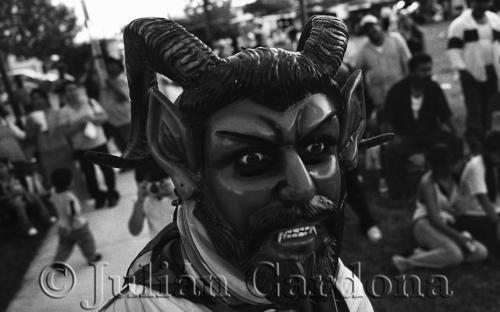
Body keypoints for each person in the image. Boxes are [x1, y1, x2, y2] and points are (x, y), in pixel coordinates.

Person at [92, 16, 379, 312]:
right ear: (178, 158)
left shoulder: (343, 292)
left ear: (349, 135)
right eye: (252, 160)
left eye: (317, 148)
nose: (303, 187)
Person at [392, 141, 488, 271]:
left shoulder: (454, 177)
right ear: (434, 166)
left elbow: (462, 204)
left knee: (481, 252)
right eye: (443, 165)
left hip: (448, 224)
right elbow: (434, 219)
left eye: (450, 163)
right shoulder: (428, 183)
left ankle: (425, 253)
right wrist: (457, 237)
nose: (448, 167)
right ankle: (408, 262)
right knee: (456, 254)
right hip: (425, 223)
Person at [382, 53, 457, 198]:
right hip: (406, 134)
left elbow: (446, 115)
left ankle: (450, 185)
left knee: (453, 142)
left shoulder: (434, 88)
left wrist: (457, 134)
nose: (428, 74)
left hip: (430, 133)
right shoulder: (397, 90)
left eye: (429, 69)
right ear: (412, 72)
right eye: (423, 70)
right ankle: (399, 192)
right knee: (390, 152)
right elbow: (387, 120)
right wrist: (392, 138)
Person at [58, 81, 120, 208]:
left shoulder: (90, 102)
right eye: (69, 90)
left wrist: (92, 120)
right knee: (89, 174)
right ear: (65, 94)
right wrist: (79, 123)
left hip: (99, 142)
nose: (72, 92)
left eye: (74, 89)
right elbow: (65, 132)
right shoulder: (64, 111)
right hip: (81, 147)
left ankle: (112, 193)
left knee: (107, 169)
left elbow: (104, 117)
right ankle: (98, 196)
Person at [447, 0, 500, 137]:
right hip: (471, 72)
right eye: (477, 2)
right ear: (471, 3)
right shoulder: (460, 24)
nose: (481, 5)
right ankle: (475, 138)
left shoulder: (494, 20)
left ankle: (489, 135)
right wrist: (461, 69)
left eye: (484, 2)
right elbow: (453, 49)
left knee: (490, 106)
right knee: (474, 107)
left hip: (492, 71)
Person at [454, 130, 500, 257]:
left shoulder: (494, 166)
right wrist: (497, 223)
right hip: (469, 214)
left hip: (489, 210)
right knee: (491, 229)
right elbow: (483, 199)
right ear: (487, 152)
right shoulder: (476, 166)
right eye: (497, 154)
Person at [356, 14, 411, 116]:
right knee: (387, 127)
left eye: (373, 26)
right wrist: (368, 94)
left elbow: (408, 63)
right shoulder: (363, 51)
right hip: (380, 100)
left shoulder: (396, 40)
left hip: (401, 94)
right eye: (368, 29)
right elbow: (358, 74)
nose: (372, 30)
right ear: (365, 33)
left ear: (380, 25)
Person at [50, 168, 102, 264]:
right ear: (68, 183)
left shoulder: (54, 193)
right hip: (78, 226)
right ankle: (91, 257)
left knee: (64, 246)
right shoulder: (69, 198)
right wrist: (70, 226)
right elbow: (71, 214)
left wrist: (66, 227)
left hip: (62, 226)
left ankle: (58, 262)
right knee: (87, 242)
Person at [25, 88, 74, 188]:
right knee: (53, 181)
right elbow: (29, 139)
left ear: (45, 99)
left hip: (62, 148)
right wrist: (35, 131)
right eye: (34, 99)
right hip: (45, 152)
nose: (37, 101)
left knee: (70, 177)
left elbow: (65, 131)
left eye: (39, 98)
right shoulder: (30, 118)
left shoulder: (57, 113)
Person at [0, 158, 54, 236]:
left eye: (2, 167)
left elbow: (23, 187)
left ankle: (46, 217)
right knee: (19, 204)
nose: (0, 170)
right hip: (10, 200)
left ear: (6, 167)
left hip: (22, 195)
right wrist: (12, 195)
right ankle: (28, 227)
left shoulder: (15, 176)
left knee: (34, 196)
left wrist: (26, 194)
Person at [128, 161, 176, 237]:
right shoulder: (143, 199)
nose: (156, 187)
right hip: (160, 245)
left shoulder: (176, 191)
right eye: (151, 184)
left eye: (160, 183)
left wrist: (175, 195)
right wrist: (140, 201)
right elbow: (134, 231)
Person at [101, 57, 132, 153]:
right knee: (122, 148)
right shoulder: (104, 83)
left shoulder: (122, 81)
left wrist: (113, 87)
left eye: (113, 65)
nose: (110, 67)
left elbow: (124, 98)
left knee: (131, 147)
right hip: (113, 122)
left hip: (125, 121)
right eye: (108, 65)